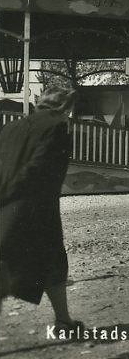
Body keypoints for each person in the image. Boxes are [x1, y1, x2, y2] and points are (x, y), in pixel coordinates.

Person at [0, 86, 85, 337]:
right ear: (65, 108)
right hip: (34, 210)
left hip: (2, 207)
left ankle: (65, 322)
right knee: (54, 263)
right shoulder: (57, 128)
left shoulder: (10, 128)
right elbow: (39, 170)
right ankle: (63, 322)